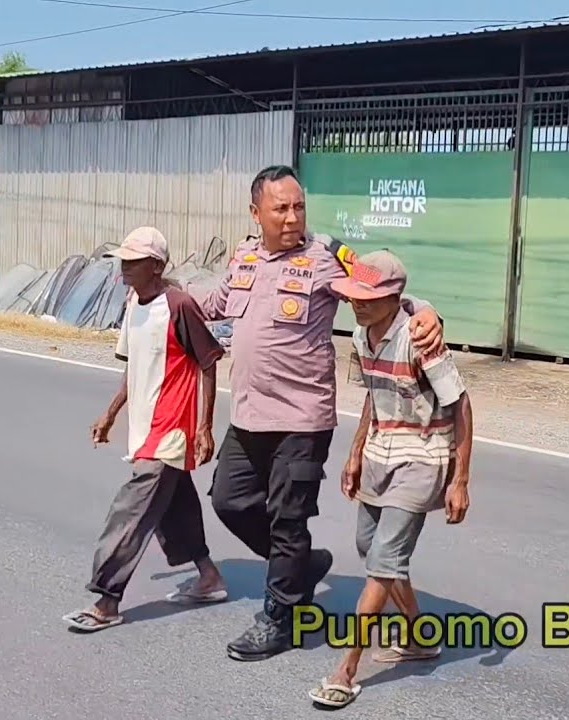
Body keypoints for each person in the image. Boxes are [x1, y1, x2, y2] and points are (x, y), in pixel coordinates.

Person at [191, 165, 447, 661]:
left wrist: (425, 310)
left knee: (287, 520)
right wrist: (169, 299)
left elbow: (385, 286)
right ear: (256, 213)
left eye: (299, 207)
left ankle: (280, 619)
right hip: (248, 414)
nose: (292, 218)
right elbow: (215, 302)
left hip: (302, 419)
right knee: (230, 501)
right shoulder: (244, 256)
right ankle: (302, 567)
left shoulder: (327, 257)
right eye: (281, 209)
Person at [307, 249, 473, 709]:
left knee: (383, 560)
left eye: (367, 298)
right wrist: (355, 453)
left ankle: (346, 669)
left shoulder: (420, 338)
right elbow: (372, 396)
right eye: (354, 298)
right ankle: (419, 637)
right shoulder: (361, 337)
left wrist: (460, 479)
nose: (357, 305)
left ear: (394, 297)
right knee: (371, 548)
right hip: (380, 454)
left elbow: (461, 404)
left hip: (423, 459)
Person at [63, 226, 229, 632]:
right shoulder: (133, 302)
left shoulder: (179, 305)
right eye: (123, 260)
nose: (124, 267)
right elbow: (133, 365)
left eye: (133, 261)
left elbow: (208, 361)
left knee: (131, 509)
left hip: (171, 430)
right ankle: (208, 576)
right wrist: (110, 414)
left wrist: (204, 426)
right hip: (145, 427)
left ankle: (106, 600)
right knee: (174, 505)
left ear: (156, 266)